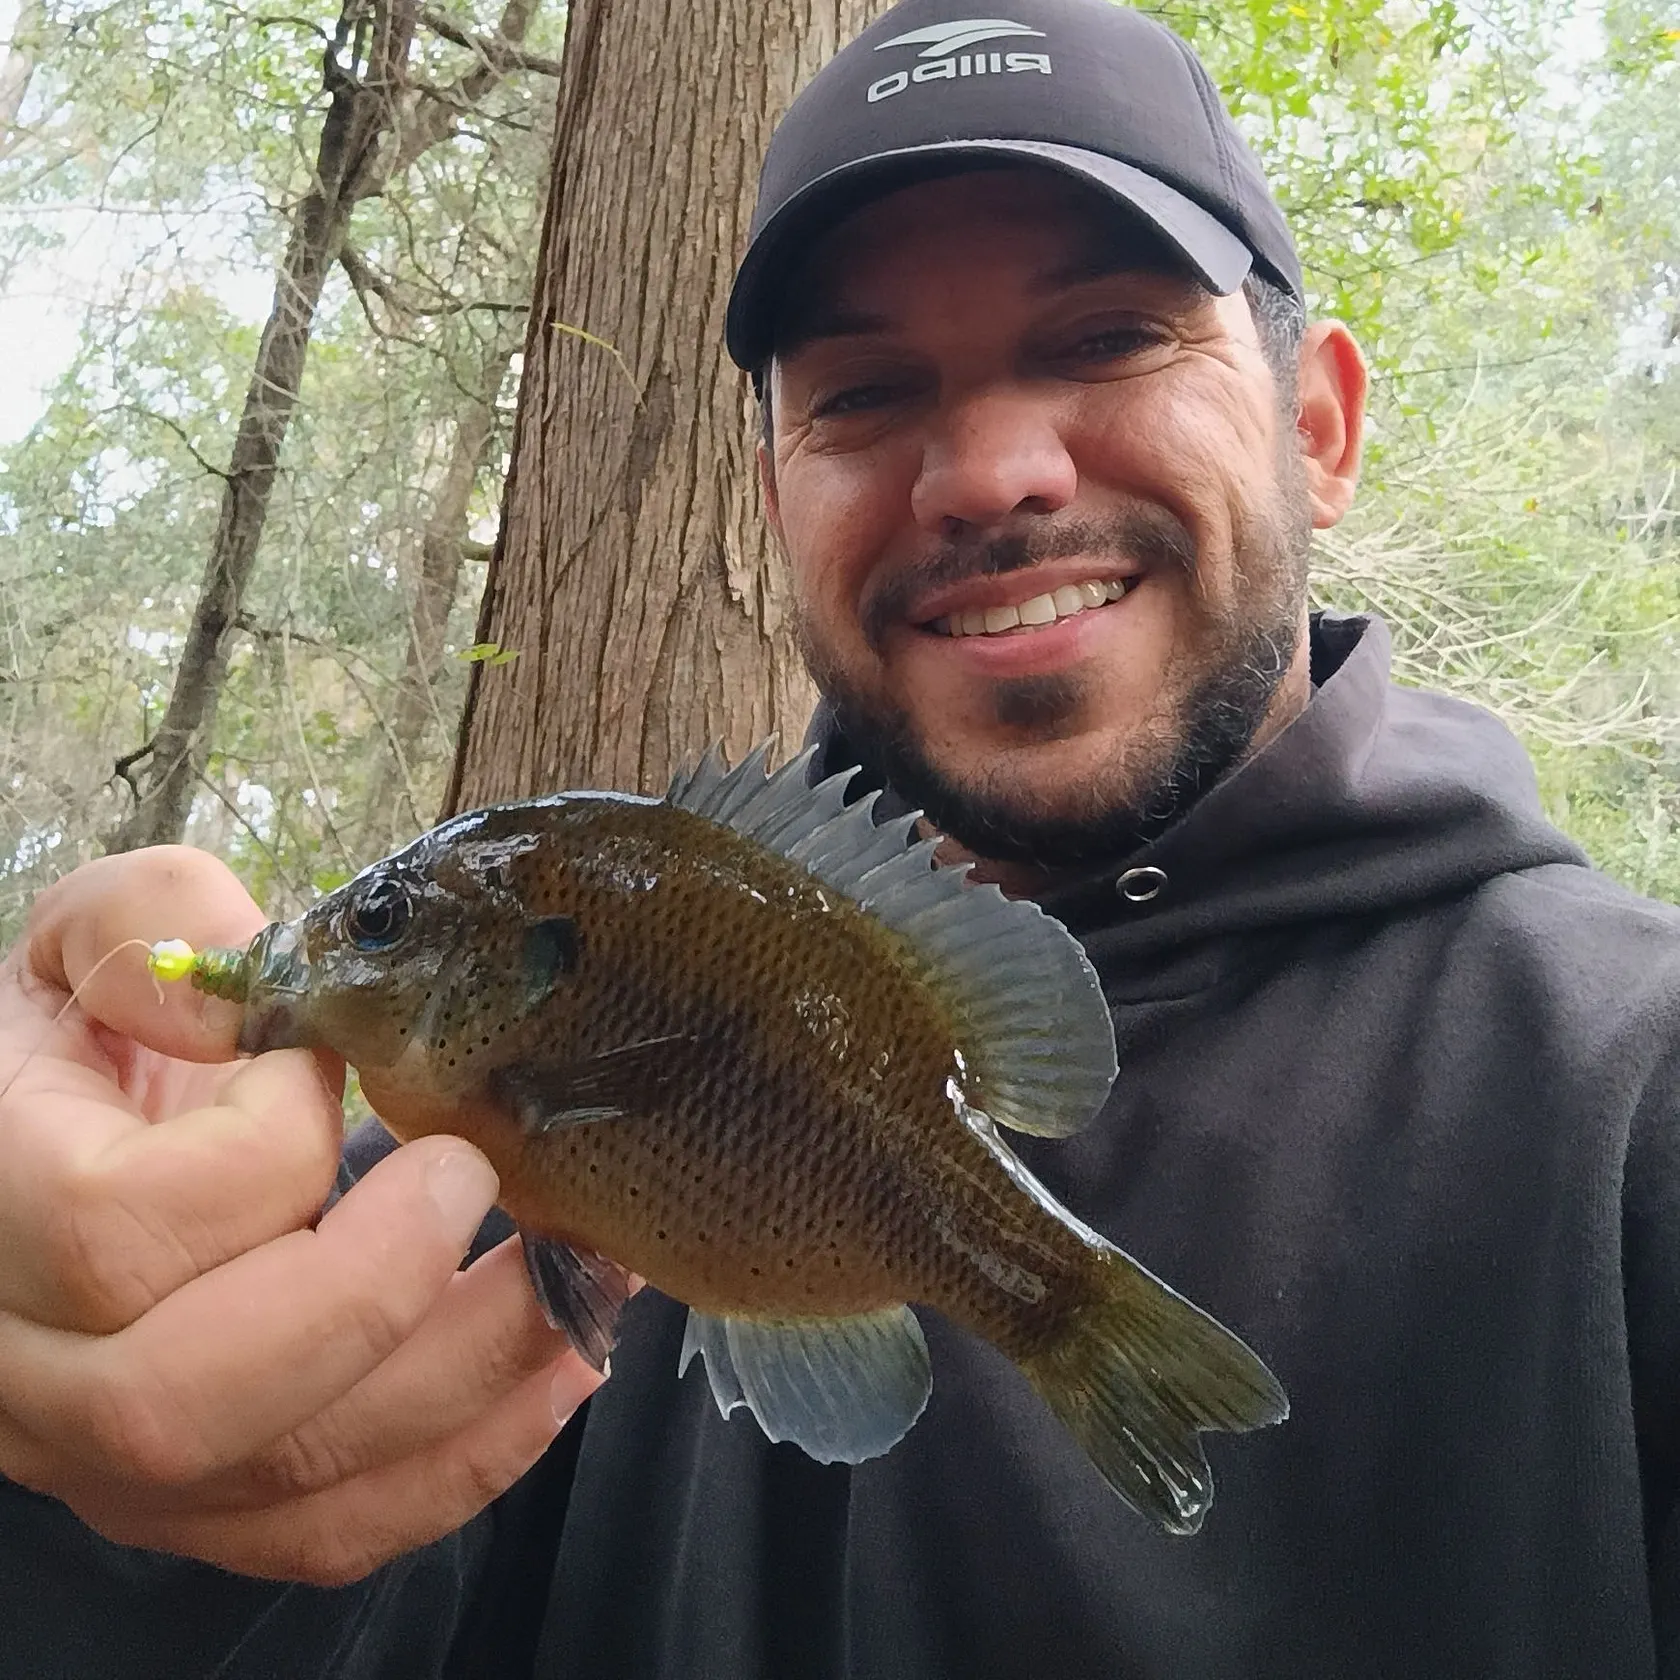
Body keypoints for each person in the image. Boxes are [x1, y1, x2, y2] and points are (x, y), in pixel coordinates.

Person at [2, 0, 1677, 1673]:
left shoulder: (1638, 1096)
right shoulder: (443, 1179)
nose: (994, 473)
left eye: (1107, 338)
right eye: (867, 392)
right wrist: (67, 1433)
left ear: (1318, 425)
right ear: (775, 499)